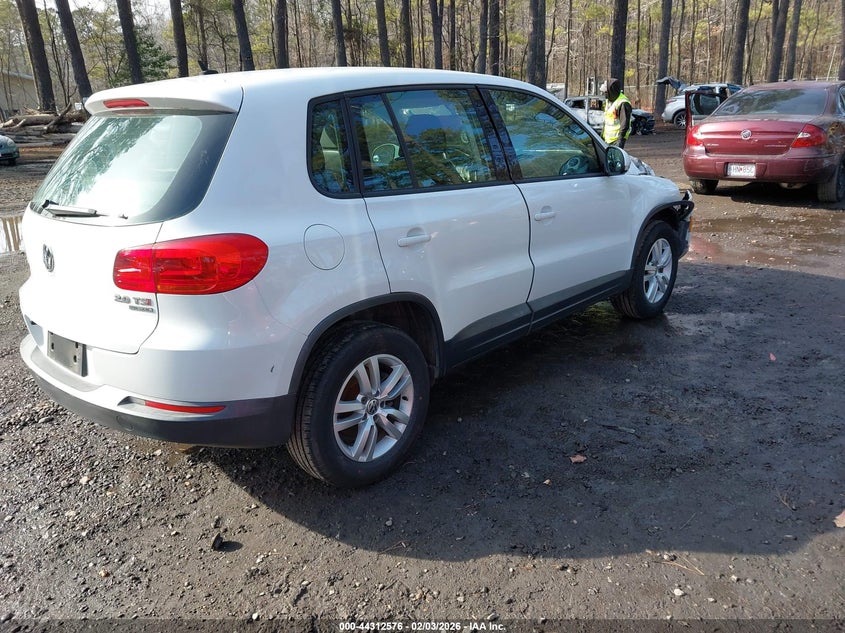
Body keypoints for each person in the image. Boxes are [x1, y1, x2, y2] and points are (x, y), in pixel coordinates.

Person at [601, 78, 632, 148]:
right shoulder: (609, 101)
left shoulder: (623, 103)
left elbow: (625, 124)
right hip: (607, 140)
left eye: (605, 92)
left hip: (616, 140)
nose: (604, 94)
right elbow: (607, 121)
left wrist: (620, 140)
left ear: (611, 91)